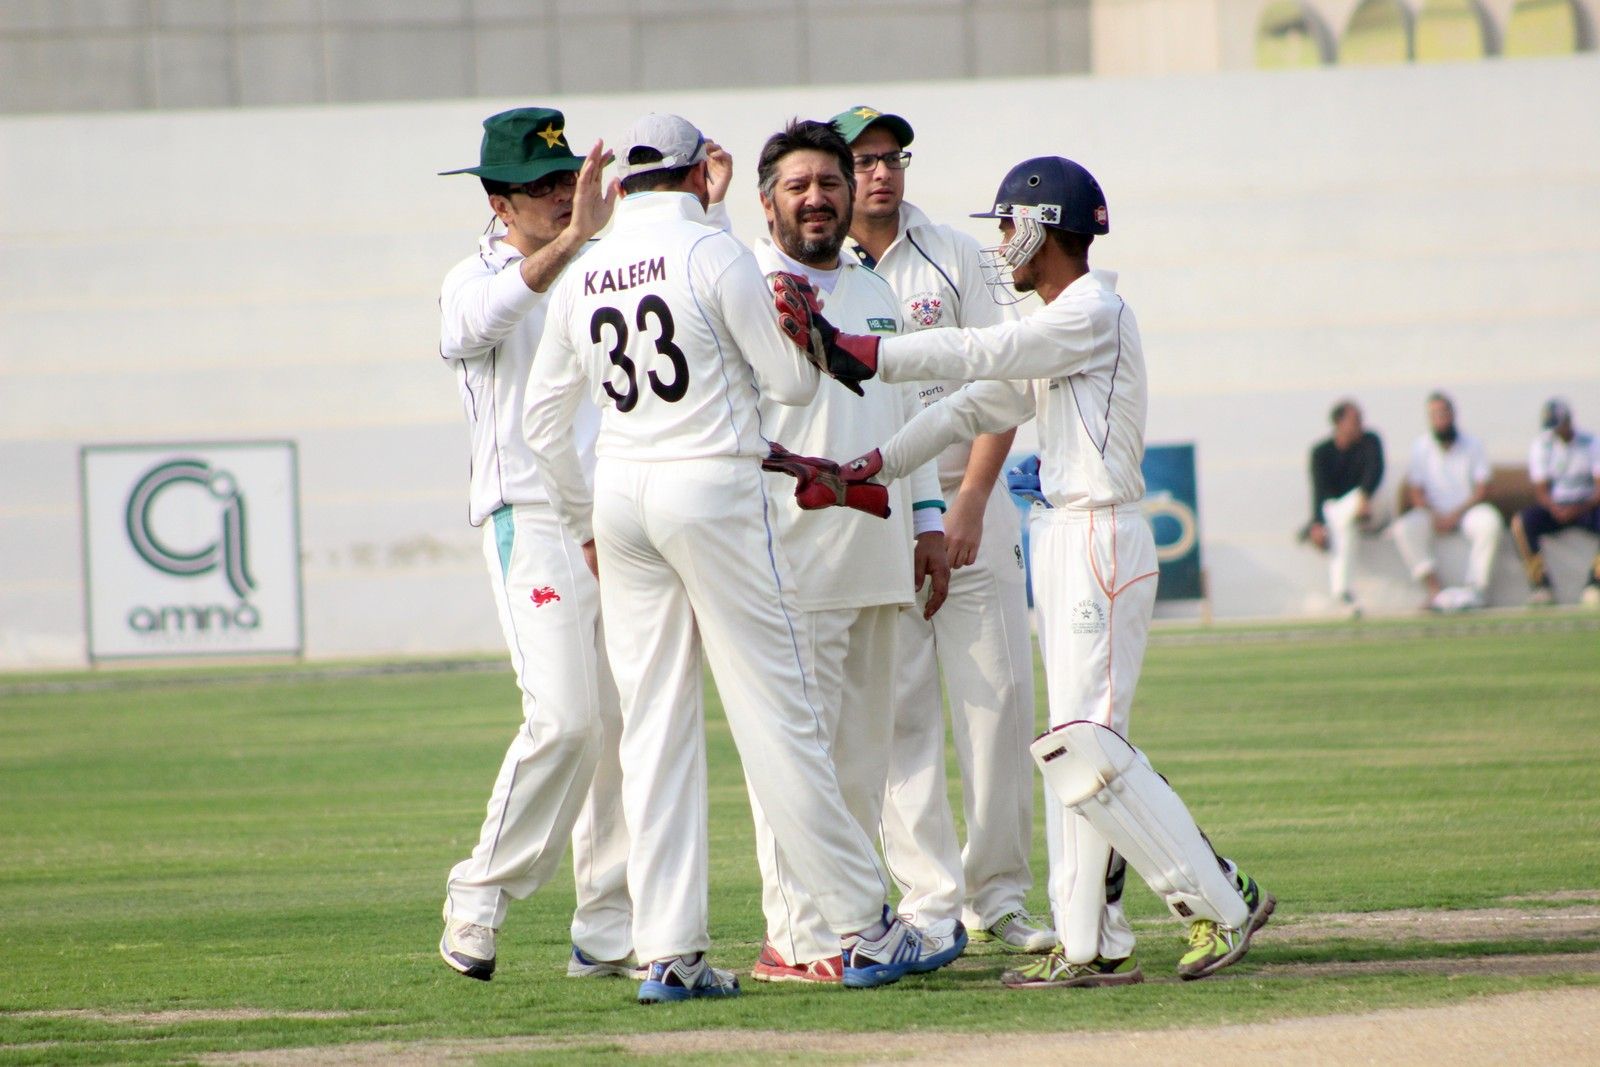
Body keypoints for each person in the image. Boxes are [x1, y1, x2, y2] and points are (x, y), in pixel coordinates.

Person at [767, 154, 1274, 989]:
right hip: (1065, 535)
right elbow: (975, 404)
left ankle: (1220, 898)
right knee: (1074, 753)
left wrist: (855, 349)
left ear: (1044, 227)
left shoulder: (1090, 311)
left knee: (1089, 747)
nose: (1001, 243)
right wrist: (867, 467)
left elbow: (983, 348)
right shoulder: (1058, 321)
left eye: (1008, 225)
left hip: (1100, 534)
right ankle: (1090, 938)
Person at [522, 112, 941, 1003]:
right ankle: (864, 924)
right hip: (711, 482)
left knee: (653, 726)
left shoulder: (585, 266)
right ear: (694, 176)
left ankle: (670, 950)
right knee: (778, 713)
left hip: (621, 494)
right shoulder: (714, 252)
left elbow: (540, 424)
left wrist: (583, 519)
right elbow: (788, 381)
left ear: (623, 183)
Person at [743, 118, 961, 985]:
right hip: (791, 561)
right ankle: (796, 939)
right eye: (798, 186)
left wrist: (929, 520)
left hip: (878, 555)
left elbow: (907, 420)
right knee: (798, 761)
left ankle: (850, 926)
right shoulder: (748, 288)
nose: (817, 199)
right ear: (767, 203)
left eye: (829, 183)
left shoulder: (873, 290)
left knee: (864, 764)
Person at [831, 105, 1050, 955]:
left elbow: (1011, 380)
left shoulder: (954, 254)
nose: (881, 173)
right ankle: (929, 902)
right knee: (903, 714)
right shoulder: (824, 269)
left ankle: (1000, 895)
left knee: (998, 704)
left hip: (970, 501)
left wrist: (970, 502)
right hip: (881, 512)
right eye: (865, 160)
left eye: (893, 157)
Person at [434, 107, 634, 982]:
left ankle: (609, 928)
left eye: (567, 180)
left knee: (623, 731)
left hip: (617, 517)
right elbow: (473, 328)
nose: (561, 197)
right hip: (532, 518)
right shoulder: (469, 278)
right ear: (498, 202)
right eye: (542, 187)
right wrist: (577, 240)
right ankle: (478, 898)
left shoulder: (604, 265)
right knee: (565, 717)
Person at [1391, 392, 1504, 612]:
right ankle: (1434, 590)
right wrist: (1434, 515)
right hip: (1433, 514)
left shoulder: (1473, 444)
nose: (1440, 419)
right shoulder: (1420, 447)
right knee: (1404, 528)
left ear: (1453, 415)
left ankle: (1476, 589)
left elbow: (1483, 489)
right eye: (1434, 415)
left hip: (1466, 511)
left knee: (1490, 522)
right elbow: (1416, 491)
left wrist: (1455, 515)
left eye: (1443, 413)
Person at [1512, 398, 1600, 606]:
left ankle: (1595, 583)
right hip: (1556, 507)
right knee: (1521, 523)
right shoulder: (1542, 445)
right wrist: (1555, 508)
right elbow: (1541, 489)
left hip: (1586, 505)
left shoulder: (1591, 443)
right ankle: (1541, 585)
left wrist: (1578, 508)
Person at [1303, 399, 1385, 618]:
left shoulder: (1370, 442)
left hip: (1370, 509)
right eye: (1354, 420)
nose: (1360, 424)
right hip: (1340, 516)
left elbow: (1375, 472)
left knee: (1342, 513)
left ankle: (1341, 592)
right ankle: (1343, 593)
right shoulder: (1321, 452)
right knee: (1340, 520)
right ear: (1339, 423)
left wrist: (1364, 497)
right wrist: (1317, 523)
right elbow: (1319, 491)